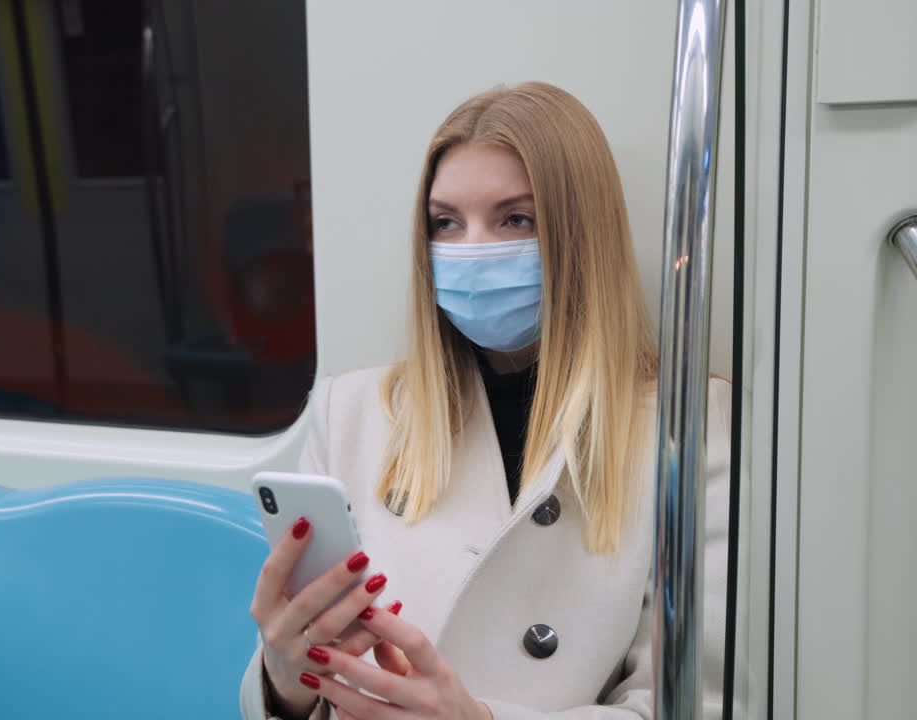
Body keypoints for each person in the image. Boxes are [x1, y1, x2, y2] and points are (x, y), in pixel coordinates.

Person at [241, 82, 730, 719]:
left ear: (581, 235)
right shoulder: (352, 412)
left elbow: (692, 704)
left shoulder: (687, 429)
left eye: (515, 219)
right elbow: (297, 690)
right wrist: (285, 678)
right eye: (446, 223)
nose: (472, 250)